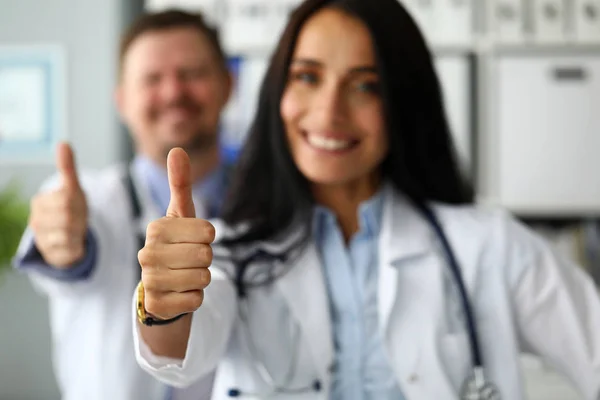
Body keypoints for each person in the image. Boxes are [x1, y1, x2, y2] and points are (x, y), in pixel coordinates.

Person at [131, 0, 600, 399]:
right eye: (308, 77)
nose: (330, 112)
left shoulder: (489, 247)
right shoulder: (231, 250)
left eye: (365, 85)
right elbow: (177, 352)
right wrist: (164, 304)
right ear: (279, 91)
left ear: (402, 102)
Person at [13, 9, 233, 400]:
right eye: (152, 79)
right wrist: (65, 243)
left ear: (228, 85)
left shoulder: (270, 207)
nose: (172, 92)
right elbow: (67, 253)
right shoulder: (93, 202)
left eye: (192, 73)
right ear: (122, 100)